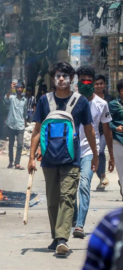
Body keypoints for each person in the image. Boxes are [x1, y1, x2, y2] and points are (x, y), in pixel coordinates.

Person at [28, 61, 97, 256]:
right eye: (58, 76)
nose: (61, 79)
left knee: (67, 197)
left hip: (72, 158)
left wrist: (94, 155)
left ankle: (62, 239)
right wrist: (31, 157)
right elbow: (37, 130)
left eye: (65, 76)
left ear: (71, 79)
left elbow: (90, 130)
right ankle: (56, 236)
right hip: (48, 159)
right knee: (52, 200)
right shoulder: (44, 101)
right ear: (53, 78)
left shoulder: (81, 101)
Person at [72, 66, 114, 239]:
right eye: (83, 80)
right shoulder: (71, 101)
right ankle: (74, 216)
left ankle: (79, 225)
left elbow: (107, 129)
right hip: (72, 149)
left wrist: (110, 155)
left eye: (90, 80)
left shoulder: (101, 104)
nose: (87, 83)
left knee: (84, 185)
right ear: (78, 82)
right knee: (70, 188)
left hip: (91, 149)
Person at [94, 75, 115, 190]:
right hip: (93, 130)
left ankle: (102, 176)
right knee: (96, 154)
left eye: (101, 83)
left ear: (104, 85)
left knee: (100, 151)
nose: (99, 86)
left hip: (106, 130)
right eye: (96, 84)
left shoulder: (109, 99)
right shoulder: (89, 98)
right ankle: (101, 176)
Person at [5, 82, 27, 170]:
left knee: (20, 144)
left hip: (20, 125)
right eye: (18, 88)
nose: (19, 89)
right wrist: (11, 88)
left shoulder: (24, 100)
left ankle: (17, 163)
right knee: (11, 144)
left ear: (23, 89)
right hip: (11, 124)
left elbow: (24, 112)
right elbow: (6, 98)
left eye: (21, 88)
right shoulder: (12, 97)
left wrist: (25, 122)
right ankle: (11, 161)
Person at [109, 79, 123, 200]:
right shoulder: (113, 104)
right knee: (121, 167)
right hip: (118, 140)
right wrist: (115, 128)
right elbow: (107, 123)